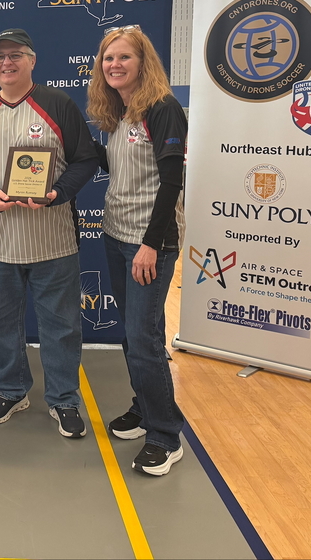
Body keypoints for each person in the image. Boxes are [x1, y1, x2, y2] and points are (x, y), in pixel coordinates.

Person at [0, 28, 99, 439]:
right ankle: (13, 390)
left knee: (61, 325)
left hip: (53, 240)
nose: (7, 63)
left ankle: (64, 399)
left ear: (32, 60)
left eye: (15, 55)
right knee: (2, 324)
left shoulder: (58, 103)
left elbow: (86, 160)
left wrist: (57, 193)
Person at [87, 25, 187, 476]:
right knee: (133, 334)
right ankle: (145, 407)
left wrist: (150, 243)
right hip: (116, 234)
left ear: (143, 62)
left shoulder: (162, 108)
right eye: (109, 59)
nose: (115, 65)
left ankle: (165, 435)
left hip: (150, 243)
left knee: (145, 341)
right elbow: (119, 165)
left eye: (124, 57)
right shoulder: (121, 112)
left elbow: (171, 182)